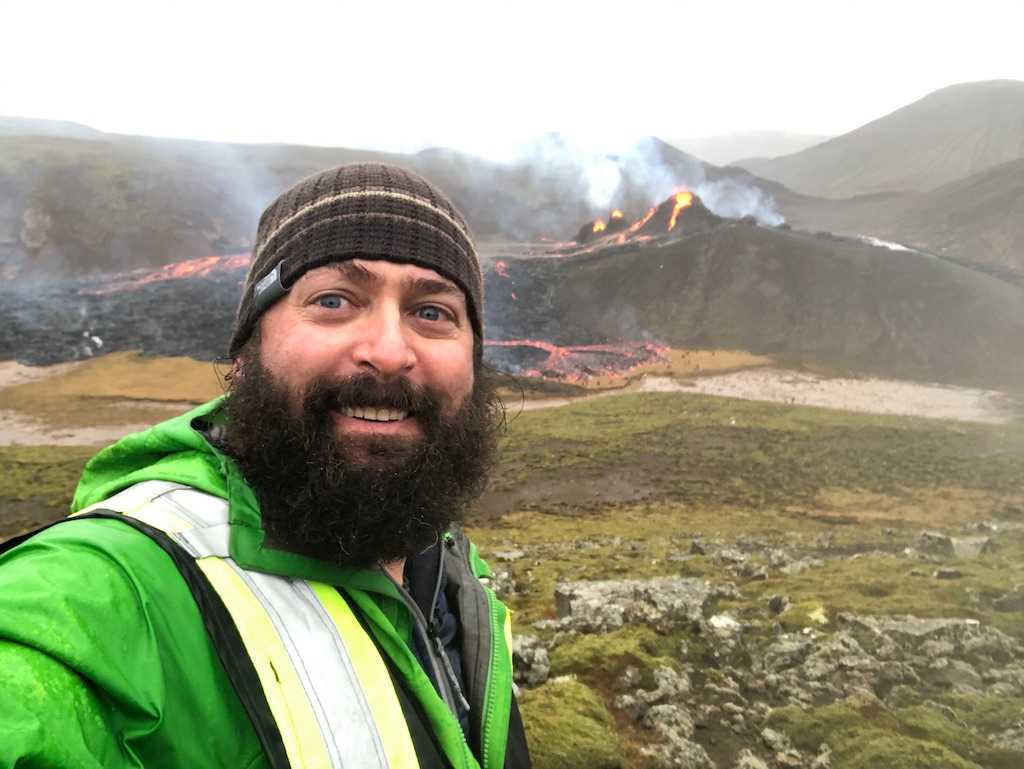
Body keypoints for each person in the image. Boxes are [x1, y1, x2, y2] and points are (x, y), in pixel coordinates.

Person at [0, 163, 531, 769]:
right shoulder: (107, 588)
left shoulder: (451, 570)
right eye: (333, 301)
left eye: (433, 312)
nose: (388, 352)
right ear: (248, 351)